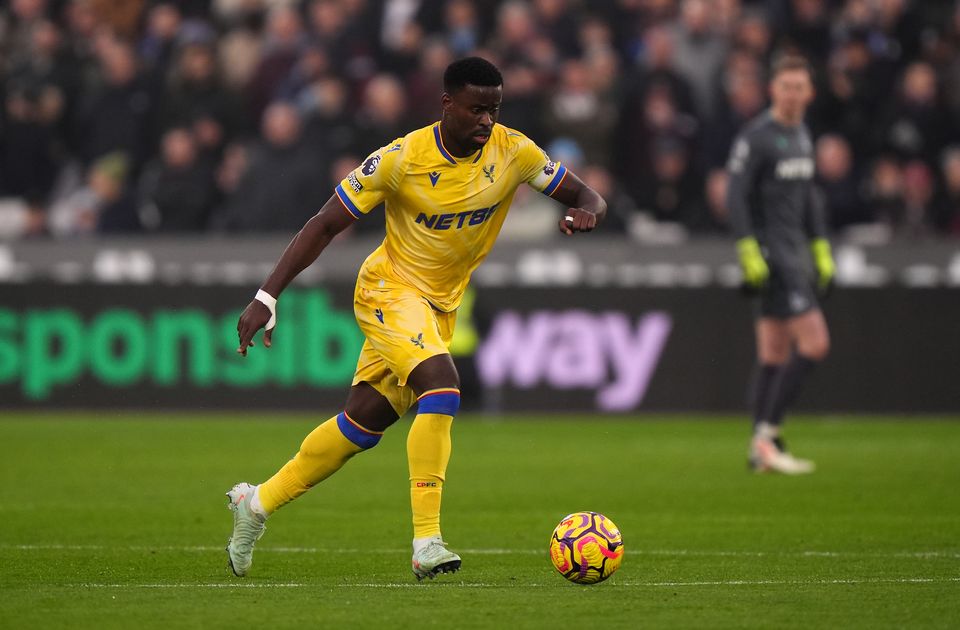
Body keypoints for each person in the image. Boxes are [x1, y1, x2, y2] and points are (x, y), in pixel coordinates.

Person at [224, 57, 607, 579]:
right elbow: (323, 224)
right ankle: (427, 541)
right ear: (447, 104)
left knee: (362, 424)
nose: (486, 121)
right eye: (476, 109)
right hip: (388, 289)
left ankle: (256, 505)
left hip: (438, 305)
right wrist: (266, 298)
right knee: (442, 387)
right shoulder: (399, 159)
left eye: (494, 110)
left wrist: (586, 210)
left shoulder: (514, 152)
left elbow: (587, 193)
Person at [726, 55, 835, 475]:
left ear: (809, 93)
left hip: (795, 251)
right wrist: (748, 249)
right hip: (773, 255)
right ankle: (768, 435)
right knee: (815, 343)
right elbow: (736, 195)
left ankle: (760, 446)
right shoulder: (756, 137)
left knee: (773, 352)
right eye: (785, 86)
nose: (792, 94)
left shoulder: (803, 135)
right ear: (773, 89)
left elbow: (808, 197)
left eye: (799, 86)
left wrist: (821, 244)